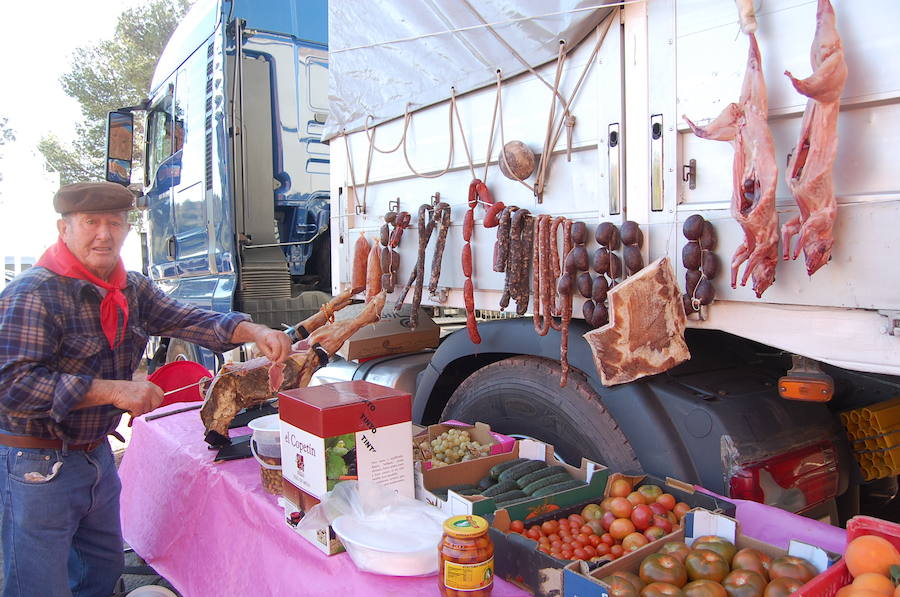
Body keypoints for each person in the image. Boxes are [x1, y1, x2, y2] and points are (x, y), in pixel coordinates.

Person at [0, 182, 291, 597]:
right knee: (38, 586)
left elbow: (188, 318)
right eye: (91, 222)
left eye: (114, 222)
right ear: (64, 229)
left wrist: (252, 329)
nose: (105, 233)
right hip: (36, 463)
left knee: (100, 572)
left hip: (95, 455)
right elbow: (13, 386)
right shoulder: (32, 294)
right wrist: (114, 392)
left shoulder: (130, 288)